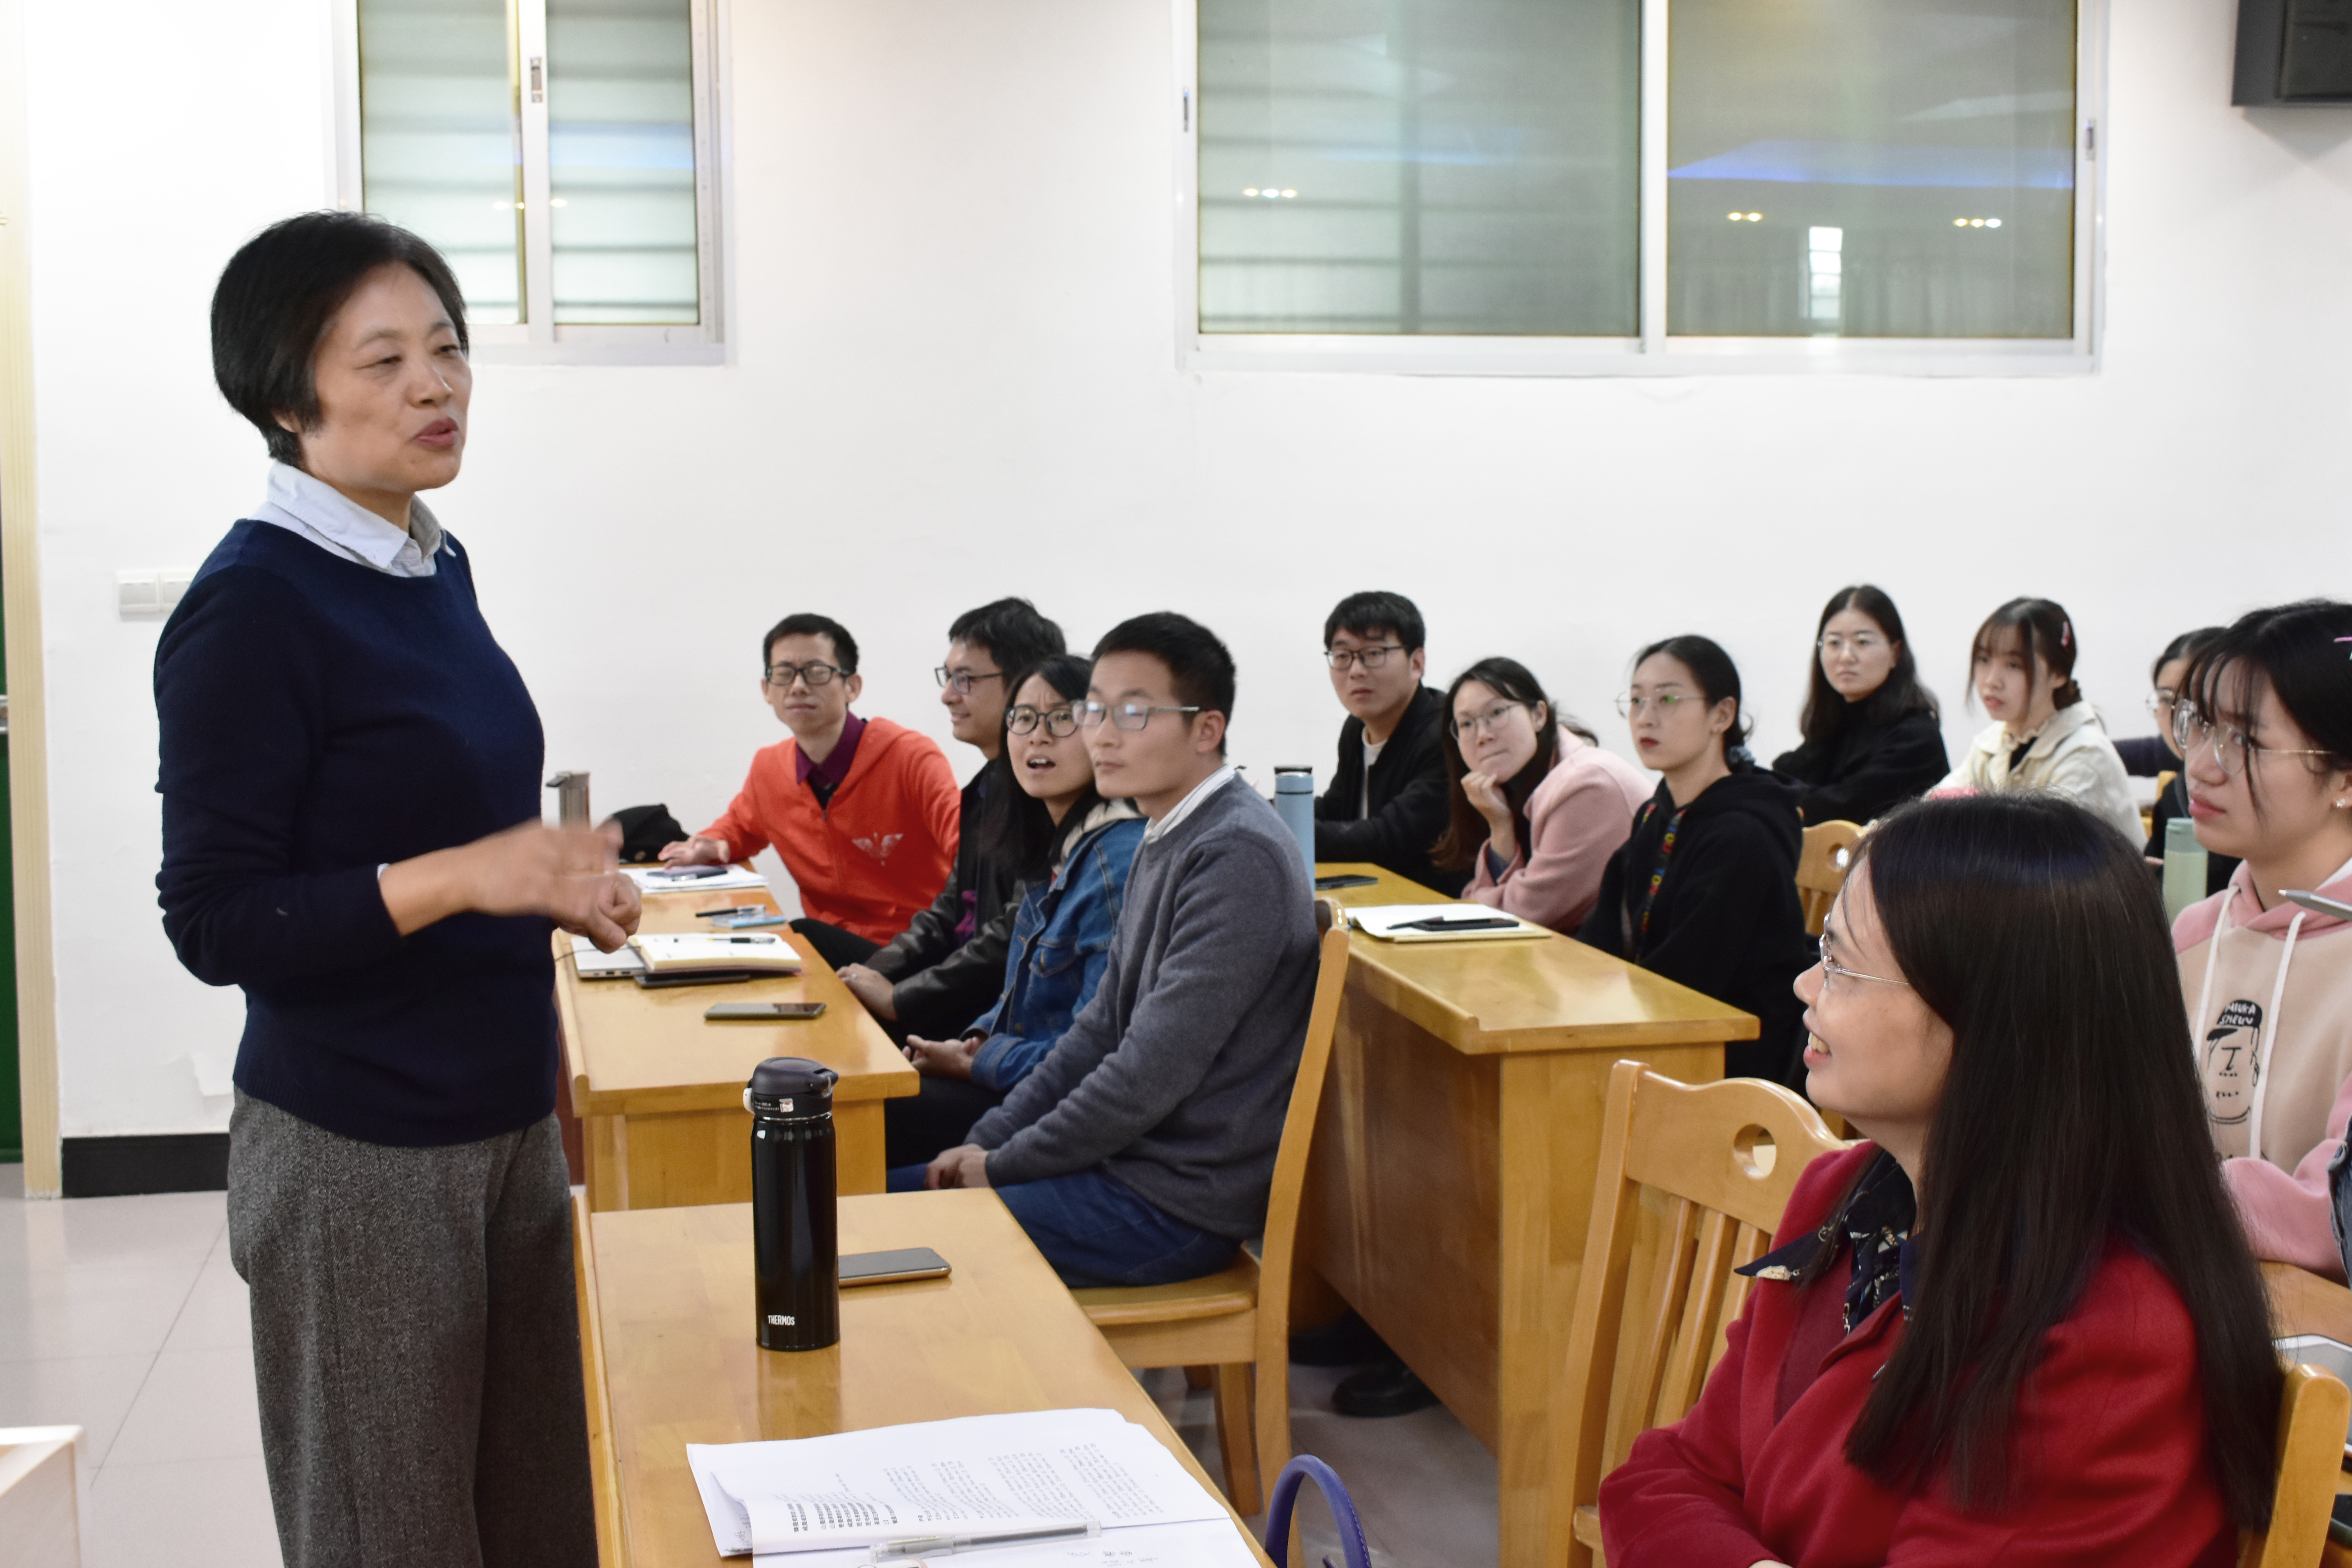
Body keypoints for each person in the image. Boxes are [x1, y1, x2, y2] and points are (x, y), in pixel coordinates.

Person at [158, 211, 642, 1565]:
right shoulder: (253, 608)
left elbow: (432, 832)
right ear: (284, 399)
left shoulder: (430, 561)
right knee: (394, 1537)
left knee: (544, 1522)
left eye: (448, 348)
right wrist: (466, 873)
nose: (437, 386)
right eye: (383, 361)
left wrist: (541, 888)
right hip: (358, 1149)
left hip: (505, 1117)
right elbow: (216, 918)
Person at [1600, 795, 2281, 1568]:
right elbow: (1664, 1476)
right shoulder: (1845, 1193)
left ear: (1994, 1020)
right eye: (1824, 949)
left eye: (1843, 966)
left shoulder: (2107, 1327)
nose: (1805, 985)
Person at [924, 613, 1320, 1287]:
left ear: (1207, 730)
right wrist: (989, 1139)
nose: (1101, 735)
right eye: (1095, 710)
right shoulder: (1166, 830)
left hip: (1172, 1205)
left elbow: (1147, 1072)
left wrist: (1002, 1165)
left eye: (1132, 713)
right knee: (877, 1197)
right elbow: (1098, 1029)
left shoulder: (1236, 853)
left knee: (883, 1223)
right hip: (1122, 1168)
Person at [883, 655, 1146, 1172]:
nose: (1037, 736)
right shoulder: (1060, 846)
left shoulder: (1112, 861)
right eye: (1024, 718)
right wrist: (975, 1042)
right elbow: (1020, 998)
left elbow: (1096, 1054)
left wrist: (979, 1061)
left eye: (1062, 717)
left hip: (1062, 1115)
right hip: (1019, 1078)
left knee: (854, 1119)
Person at [2170, 600, 2352, 1279]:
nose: (2201, 766)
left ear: (2345, 778)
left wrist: (2149, 1194)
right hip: (2195, 1289)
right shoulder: (2196, 934)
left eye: (2244, 741)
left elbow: (2333, 1216)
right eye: (2200, 726)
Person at [661, 613, 960, 966]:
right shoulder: (769, 768)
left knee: (800, 936)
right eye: (784, 673)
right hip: (837, 951)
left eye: (817, 672)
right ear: (766, 689)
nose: (798, 686)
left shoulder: (911, 758)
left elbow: (969, 849)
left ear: (852, 687)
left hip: (918, 953)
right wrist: (715, 844)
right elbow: (741, 826)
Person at [1579, 637, 1814, 1086]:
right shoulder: (1656, 814)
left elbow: (1690, 979)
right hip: (1666, 1030)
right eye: (1636, 700)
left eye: (1668, 699)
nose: (1646, 717)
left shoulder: (1743, 834)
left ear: (1722, 715)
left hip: (1732, 1062)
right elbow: (1604, 933)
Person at [836, 599, 1066, 1038]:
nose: (947, 695)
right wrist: (873, 975)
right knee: (824, 969)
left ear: (1026, 684)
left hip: (991, 1011)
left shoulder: (1045, 793)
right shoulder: (986, 786)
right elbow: (948, 910)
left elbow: (1015, 930)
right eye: (948, 678)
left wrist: (901, 999)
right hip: (958, 983)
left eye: (965, 680)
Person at [1433, 657, 1648, 934]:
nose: (1483, 735)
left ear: (1538, 716)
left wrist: (1474, 902)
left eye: (1497, 713)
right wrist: (1500, 826)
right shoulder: (1505, 789)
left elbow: (1525, 914)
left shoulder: (1587, 785)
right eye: (1466, 724)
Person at [1927, 596, 2141, 844]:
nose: (1992, 681)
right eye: (1984, 660)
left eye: (2014, 665)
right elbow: (1934, 808)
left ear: (2059, 674)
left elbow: (2043, 853)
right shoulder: (1994, 741)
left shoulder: (2085, 756)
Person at [1314, 591, 1465, 894]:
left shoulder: (1447, 732)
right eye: (1342, 656)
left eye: (1374, 654)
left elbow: (1388, 839)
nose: (1356, 671)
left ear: (1417, 663)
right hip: (1379, 900)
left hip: (1436, 907)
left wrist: (1288, 830)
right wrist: (1270, 812)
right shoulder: (1357, 728)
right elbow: (1337, 810)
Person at [1769, 584, 1948, 826]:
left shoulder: (1916, 737)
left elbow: (1843, 807)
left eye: (1862, 642)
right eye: (1834, 643)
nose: (1846, 656)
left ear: (1896, 652)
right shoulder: (1835, 727)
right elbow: (1785, 778)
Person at [2140, 626, 2239, 897]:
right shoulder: (2173, 796)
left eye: (2192, 704)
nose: (2178, 717)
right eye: (2166, 699)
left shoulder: (2248, 792)